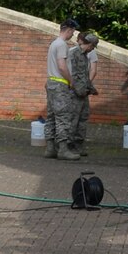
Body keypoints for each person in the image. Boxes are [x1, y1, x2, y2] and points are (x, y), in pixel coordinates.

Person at [43, 19, 80, 160]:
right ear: (69, 30)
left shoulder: (53, 44)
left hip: (51, 83)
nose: (73, 35)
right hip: (60, 85)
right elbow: (62, 66)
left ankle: (50, 148)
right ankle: (63, 149)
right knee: (63, 117)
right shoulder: (62, 45)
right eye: (73, 32)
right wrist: (71, 81)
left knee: (51, 116)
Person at [65, 32, 99, 157]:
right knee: (73, 119)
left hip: (83, 93)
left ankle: (79, 145)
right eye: (93, 46)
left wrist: (90, 88)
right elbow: (72, 74)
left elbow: (85, 76)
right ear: (89, 44)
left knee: (83, 119)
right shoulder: (73, 53)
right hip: (75, 93)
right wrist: (78, 90)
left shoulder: (85, 56)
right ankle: (69, 145)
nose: (93, 49)